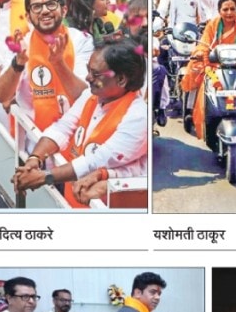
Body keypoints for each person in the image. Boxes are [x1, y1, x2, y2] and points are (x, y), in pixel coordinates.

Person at [12, 38, 148, 207]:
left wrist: (44, 177)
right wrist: (34, 159)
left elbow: (98, 160)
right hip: (74, 202)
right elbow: (62, 128)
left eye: (96, 74)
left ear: (121, 80)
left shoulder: (139, 116)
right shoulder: (91, 96)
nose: (88, 77)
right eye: (88, 70)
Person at [0, 0, 93, 135]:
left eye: (51, 5)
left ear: (64, 10)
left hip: (74, 138)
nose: (45, 11)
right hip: (33, 140)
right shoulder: (21, 44)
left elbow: (84, 96)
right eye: (37, 7)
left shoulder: (81, 41)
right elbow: (1, 96)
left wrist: (58, 63)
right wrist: (18, 64)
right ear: (28, 16)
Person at [181, 0, 236, 141]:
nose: (229, 13)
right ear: (219, 11)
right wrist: (200, 52)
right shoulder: (213, 24)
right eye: (225, 9)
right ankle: (190, 109)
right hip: (215, 63)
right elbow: (204, 43)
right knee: (195, 69)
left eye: (232, 9)